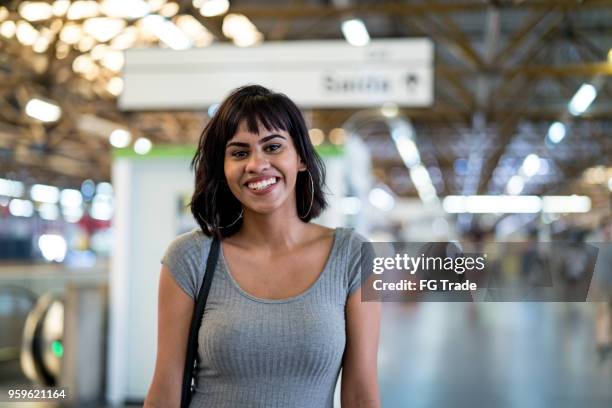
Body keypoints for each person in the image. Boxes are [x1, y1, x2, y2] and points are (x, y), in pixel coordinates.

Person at [144, 85, 381, 407]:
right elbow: (165, 389)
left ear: (300, 158)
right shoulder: (190, 258)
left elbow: (361, 393)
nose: (256, 164)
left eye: (273, 147)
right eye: (239, 152)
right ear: (223, 168)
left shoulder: (353, 255)